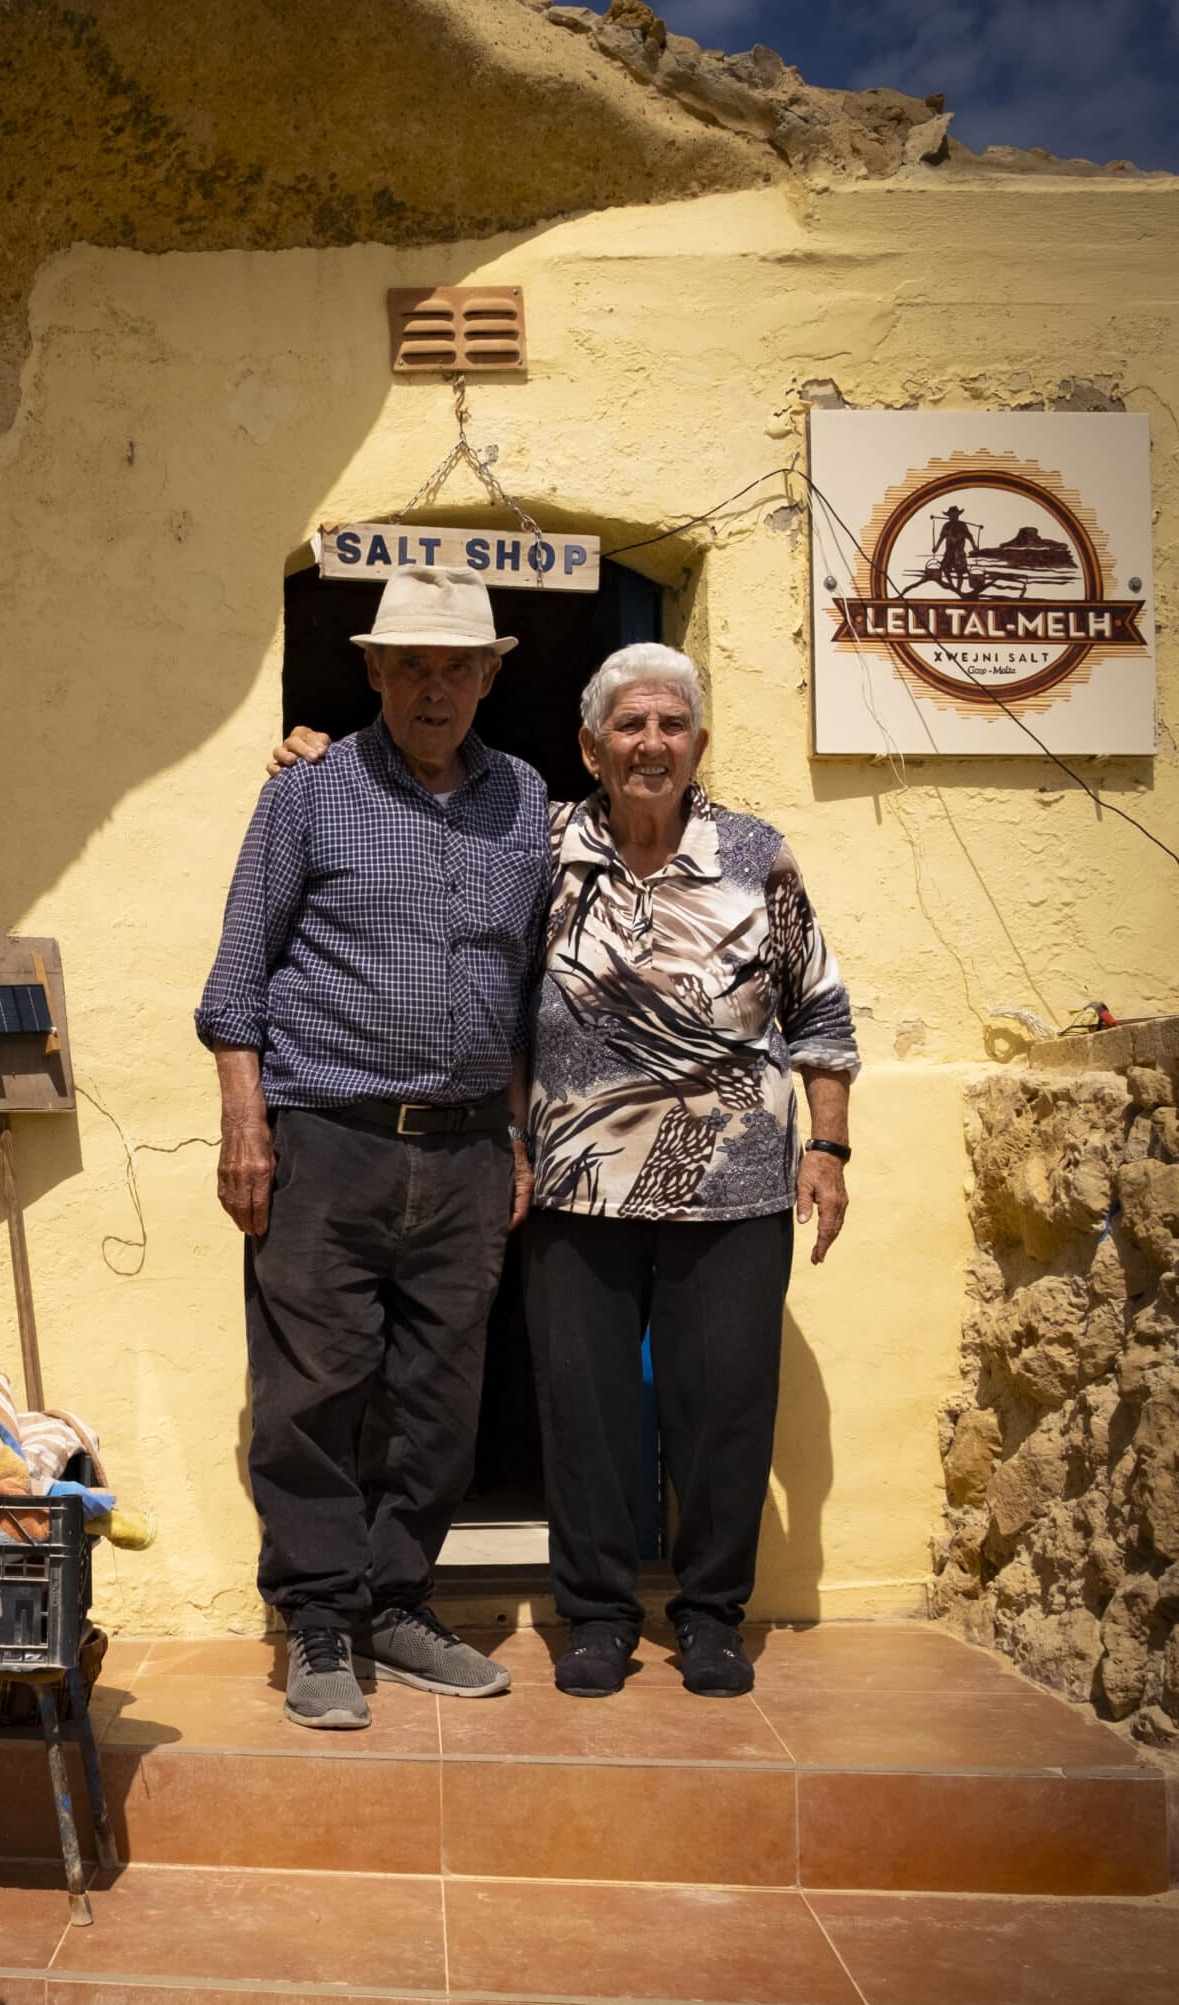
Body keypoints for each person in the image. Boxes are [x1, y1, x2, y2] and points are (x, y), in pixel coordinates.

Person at [272, 640, 859, 1700]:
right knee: (583, 1409)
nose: (651, 744)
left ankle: (712, 1615)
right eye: (628, 725)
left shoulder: (756, 854)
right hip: (579, 1180)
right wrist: (314, 762)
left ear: (700, 744)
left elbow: (820, 1009)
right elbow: (475, 959)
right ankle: (594, 1615)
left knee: (722, 1406)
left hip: (736, 1185)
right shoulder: (540, 844)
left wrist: (828, 1145)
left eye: (671, 725)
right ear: (588, 745)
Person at [196, 567, 547, 1730]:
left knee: (442, 1400)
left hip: (462, 1154)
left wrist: (515, 1134)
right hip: (325, 1143)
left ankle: (396, 1605)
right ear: (375, 673)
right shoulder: (309, 793)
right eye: (412, 667)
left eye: (456, 668)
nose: (434, 689)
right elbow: (238, 976)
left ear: (492, 675)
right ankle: (319, 1623)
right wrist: (247, 1128)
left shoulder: (526, 803)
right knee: (311, 1393)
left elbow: (524, 988)